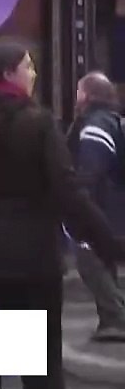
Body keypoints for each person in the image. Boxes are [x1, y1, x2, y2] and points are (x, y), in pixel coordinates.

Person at [0, 38, 125, 389]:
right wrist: (109, 245)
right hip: (33, 262)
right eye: (28, 66)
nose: (34, 73)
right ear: (9, 73)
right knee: (40, 370)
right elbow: (68, 192)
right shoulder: (39, 125)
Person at [67, 71, 125, 342]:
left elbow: (92, 166)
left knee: (89, 260)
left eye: (79, 91)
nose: (76, 96)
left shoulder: (96, 125)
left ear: (87, 95)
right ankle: (109, 319)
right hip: (112, 210)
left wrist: (81, 201)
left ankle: (115, 318)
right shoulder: (112, 120)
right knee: (104, 260)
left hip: (99, 208)